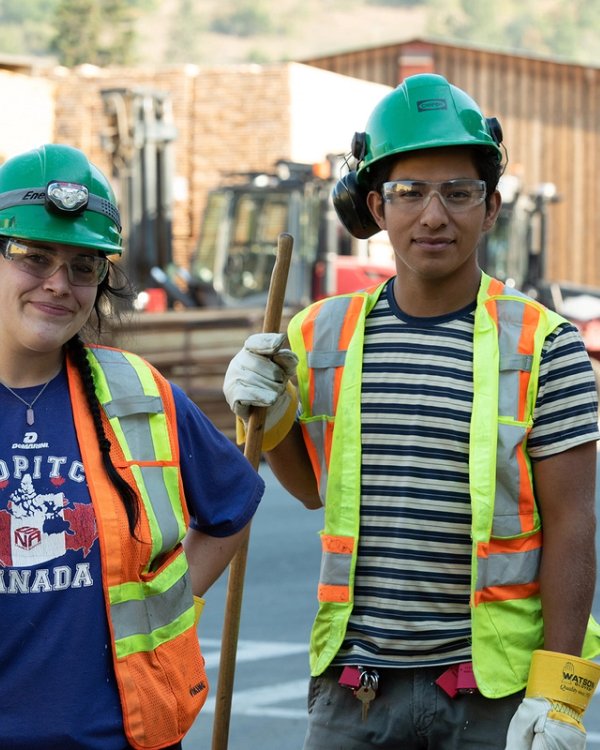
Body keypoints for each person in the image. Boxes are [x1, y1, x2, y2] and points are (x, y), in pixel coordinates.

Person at [223, 73, 600, 750]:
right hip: (354, 694)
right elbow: (311, 490)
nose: (434, 215)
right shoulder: (318, 335)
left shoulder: (548, 346)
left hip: (493, 700)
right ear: (377, 205)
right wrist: (269, 411)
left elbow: (574, 526)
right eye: (410, 193)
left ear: (490, 209)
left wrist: (560, 698)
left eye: (459, 193)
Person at [0, 144, 264, 750]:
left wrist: (169, 604)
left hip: (120, 737)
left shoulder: (136, 393)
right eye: (33, 256)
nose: (57, 284)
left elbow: (232, 505)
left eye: (83, 267)